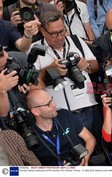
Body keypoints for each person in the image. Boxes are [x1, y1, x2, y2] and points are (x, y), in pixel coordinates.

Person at [31, 11, 102, 146]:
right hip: (62, 114)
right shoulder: (35, 49)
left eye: (62, 31)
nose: (59, 37)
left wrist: (85, 64)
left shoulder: (76, 40)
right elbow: (33, 83)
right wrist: (49, 69)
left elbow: (95, 66)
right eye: (54, 33)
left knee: (98, 148)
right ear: (43, 31)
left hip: (89, 107)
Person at [26, 89, 96, 166]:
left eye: (52, 100)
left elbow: (89, 138)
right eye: (48, 104)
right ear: (36, 111)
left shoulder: (64, 115)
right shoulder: (29, 135)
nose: (55, 104)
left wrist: (86, 157)